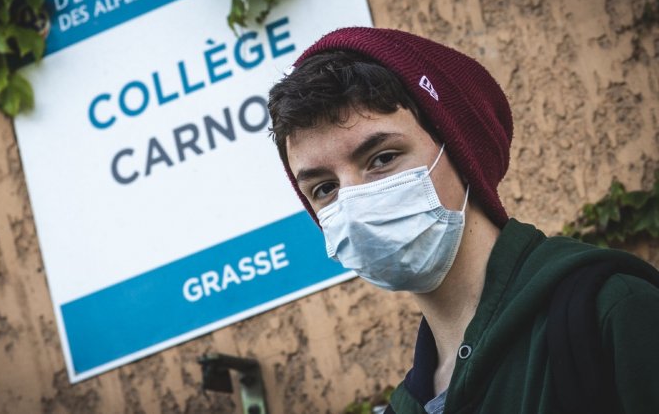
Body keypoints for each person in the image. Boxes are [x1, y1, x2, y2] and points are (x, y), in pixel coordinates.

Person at [266, 27, 659, 414]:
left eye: (382, 158)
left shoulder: (611, 312)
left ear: (459, 151)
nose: (353, 202)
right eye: (323, 188)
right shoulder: (408, 405)